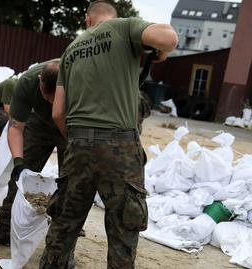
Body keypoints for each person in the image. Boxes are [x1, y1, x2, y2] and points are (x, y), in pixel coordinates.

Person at [40, 1, 178, 268]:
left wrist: (77, 141)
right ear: (113, 16)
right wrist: (160, 51)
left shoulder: (71, 50)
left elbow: (58, 112)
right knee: (122, 232)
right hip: (119, 147)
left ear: (87, 19)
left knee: (63, 226)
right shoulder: (122, 27)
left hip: (78, 145)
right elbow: (170, 38)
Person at [0, 60, 67, 245]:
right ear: (40, 79)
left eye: (54, 97)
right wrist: (18, 161)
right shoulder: (27, 82)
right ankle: (6, 228)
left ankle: (62, 246)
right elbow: (16, 127)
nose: (49, 101)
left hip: (71, 127)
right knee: (20, 175)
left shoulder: (80, 82)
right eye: (45, 96)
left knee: (71, 184)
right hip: (40, 124)